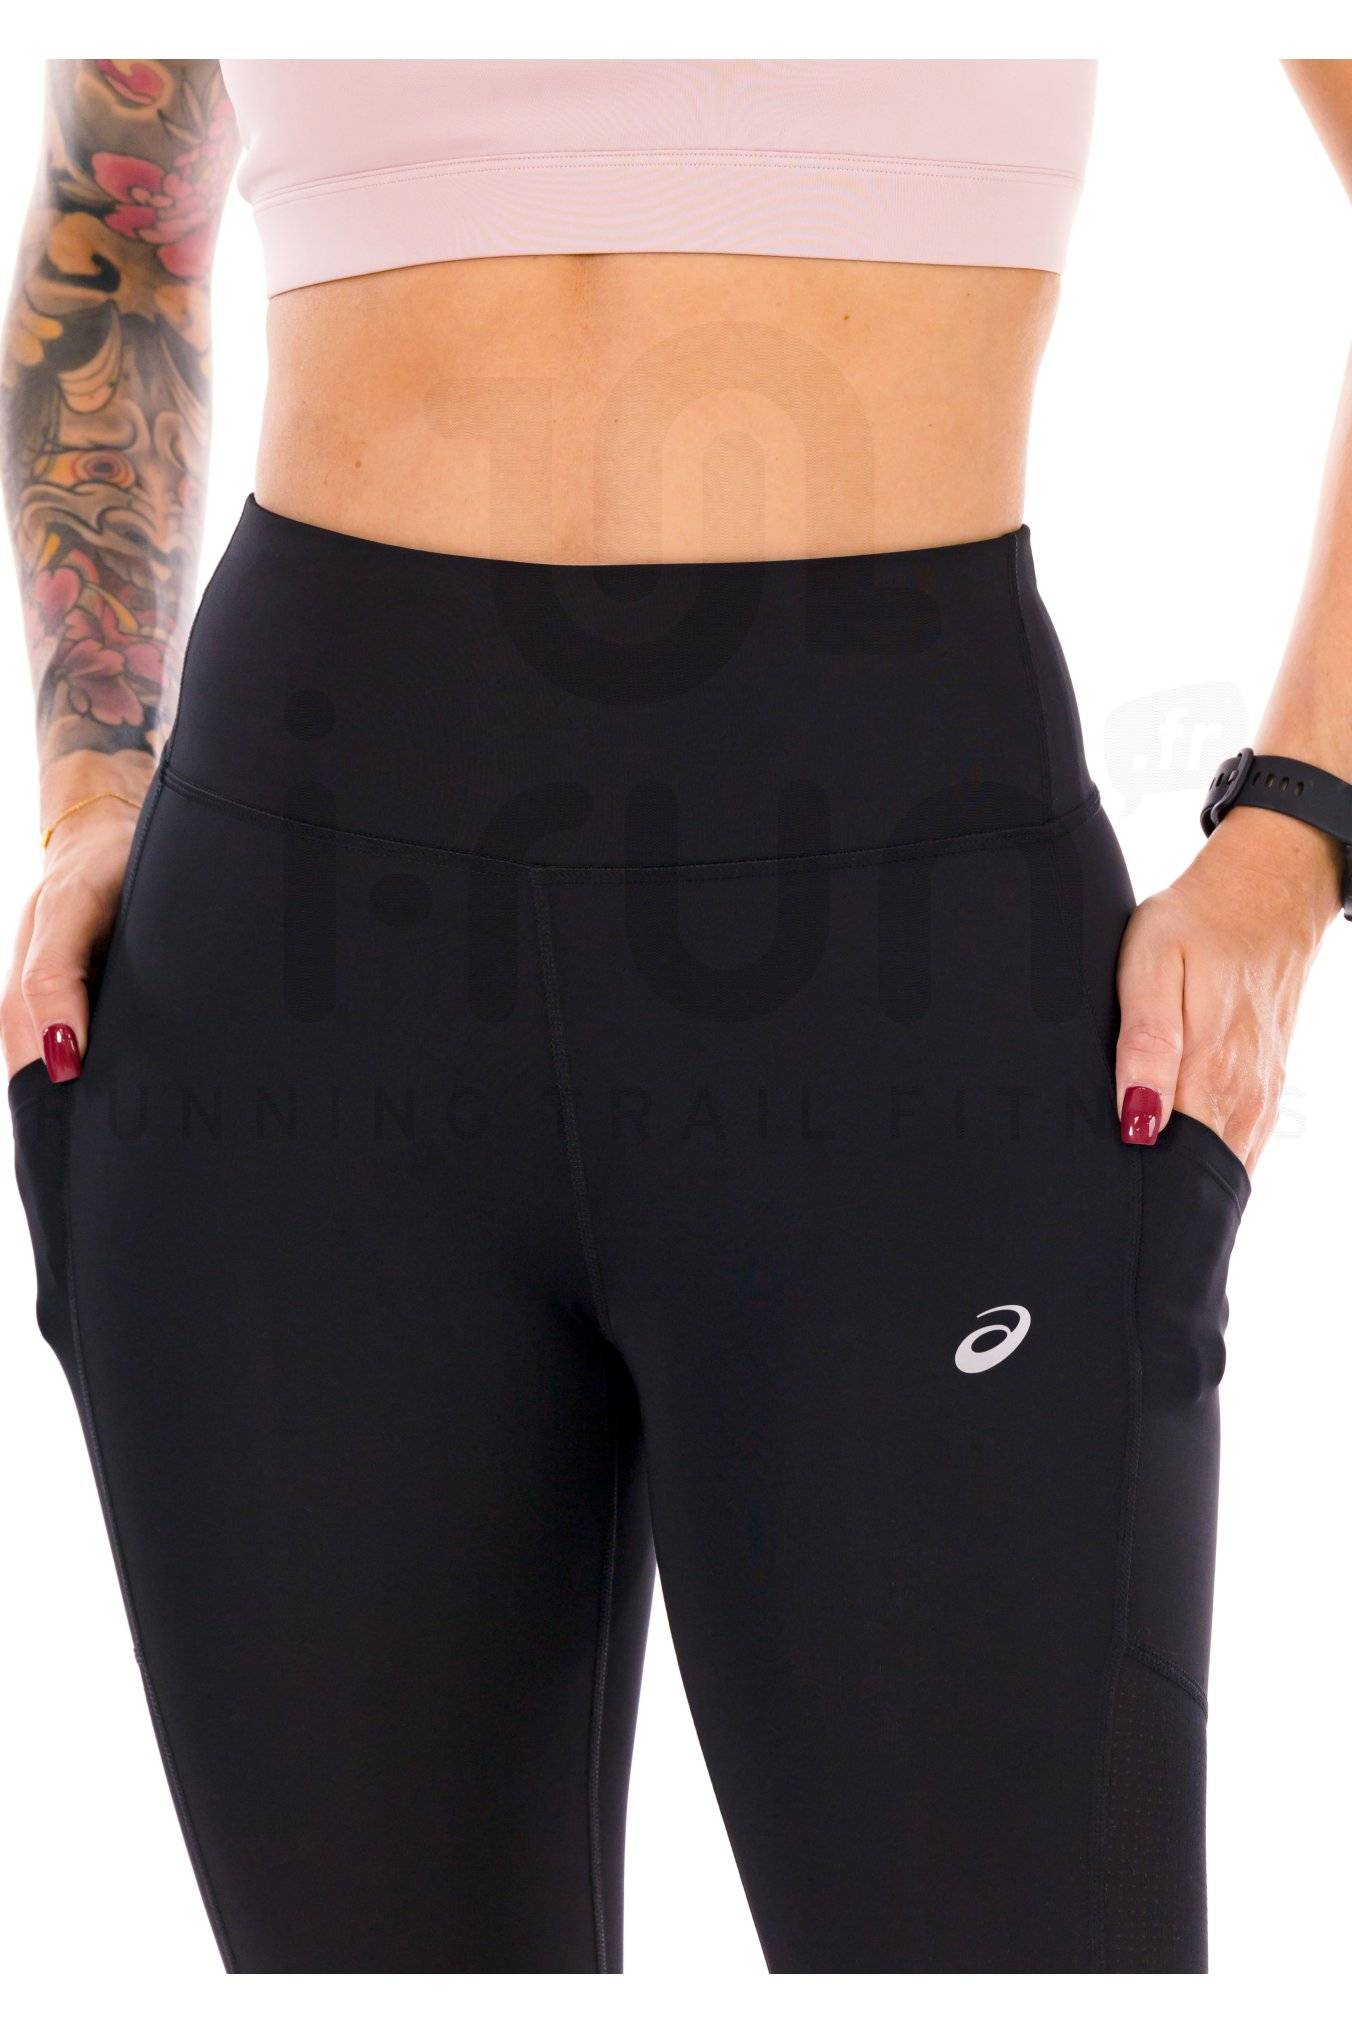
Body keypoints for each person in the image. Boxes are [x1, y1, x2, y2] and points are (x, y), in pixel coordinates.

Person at [3, 58, 1350, 1974]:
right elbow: (116, 227)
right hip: (295, 969)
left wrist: (1299, 834)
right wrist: (91, 793)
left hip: (897, 973)